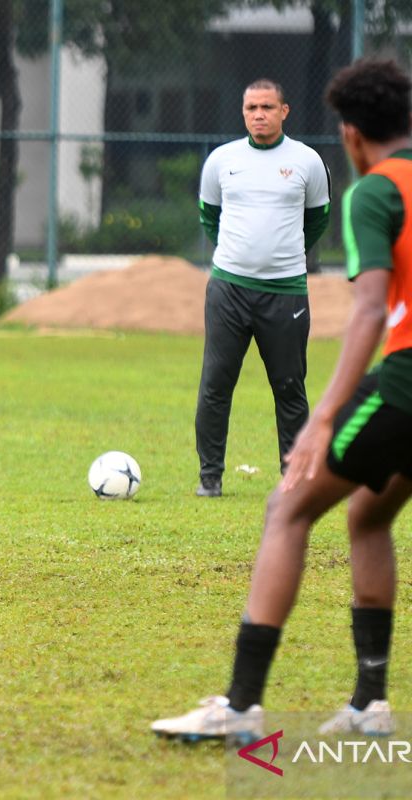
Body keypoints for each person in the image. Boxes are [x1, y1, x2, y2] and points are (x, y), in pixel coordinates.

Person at [152, 57, 412, 743]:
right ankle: (369, 703)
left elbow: (365, 316)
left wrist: (326, 416)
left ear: (350, 135)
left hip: (408, 383)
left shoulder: (375, 193)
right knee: (368, 514)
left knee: (288, 507)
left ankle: (239, 706)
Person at [195, 80, 331, 497]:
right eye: (251, 106)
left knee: (290, 387)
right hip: (228, 290)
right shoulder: (222, 160)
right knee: (216, 385)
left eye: (267, 107)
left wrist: (282, 258)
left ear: (284, 111)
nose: (259, 114)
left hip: (286, 292)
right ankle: (210, 478)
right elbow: (209, 215)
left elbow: (318, 219)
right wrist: (239, 258)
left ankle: (294, 479)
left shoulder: (307, 161)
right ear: (243, 111)